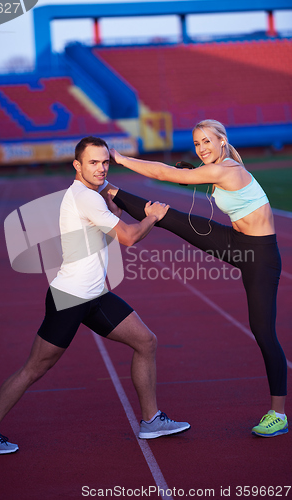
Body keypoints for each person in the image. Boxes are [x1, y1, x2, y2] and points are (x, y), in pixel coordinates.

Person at [0, 136, 190, 455]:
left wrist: (109, 193)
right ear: (77, 165)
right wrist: (153, 216)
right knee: (34, 368)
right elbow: (128, 237)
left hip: (95, 295)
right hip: (70, 299)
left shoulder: (91, 194)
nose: (101, 169)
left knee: (146, 341)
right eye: (93, 163)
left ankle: (151, 420)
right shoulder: (84, 198)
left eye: (104, 162)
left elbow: (112, 212)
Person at [101, 119, 288, 438]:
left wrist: (118, 158)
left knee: (262, 332)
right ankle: (110, 191)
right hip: (235, 241)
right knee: (167, 217)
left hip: (260, 256)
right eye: (197, 143)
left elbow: (164, 173)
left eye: (207, 142)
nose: (202, 149)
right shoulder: (218, 168)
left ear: (222, 142)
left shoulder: (226, 170)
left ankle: (279, 414)